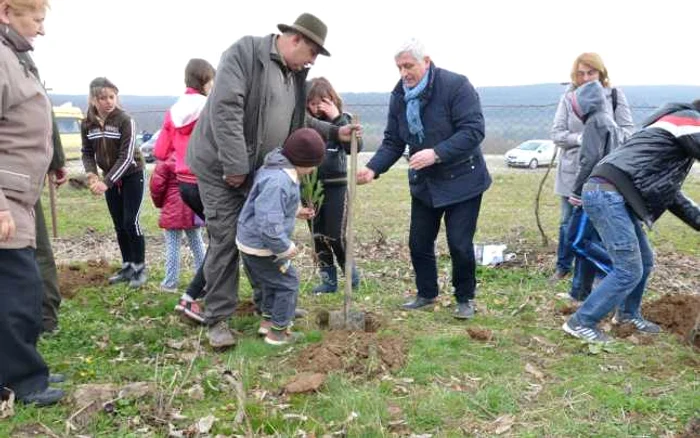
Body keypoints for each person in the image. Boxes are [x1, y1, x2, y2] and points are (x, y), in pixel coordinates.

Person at [185, 12, 360, 348]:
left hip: (256, 170)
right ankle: (218, 318)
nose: (311, 61)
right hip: (220, 167)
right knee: (226, 237)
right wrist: (235, 166)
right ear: (295, 40)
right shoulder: (245, 54)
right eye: (311, 53)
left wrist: (335, 131)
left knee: (261, 235)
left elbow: (298, 120)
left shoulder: (293, 75)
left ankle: (271, 304)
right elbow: (226, 109)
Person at [357, 38, 490, 319]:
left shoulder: (456, 85)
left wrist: (437, 153)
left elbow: (473, 131)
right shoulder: (399, 96)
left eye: (409, 65)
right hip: (425, 183)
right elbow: (393, 141)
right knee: (418, 243)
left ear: (426, 61)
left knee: (459, 244)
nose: (404, 73)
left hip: (463, 179)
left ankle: (464, 297)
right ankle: (426, 293)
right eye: (399, 67)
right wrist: (372, 169)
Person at [563, 100, 700, 343]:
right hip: (608, 193)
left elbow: (673, 197)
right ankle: (582, 321)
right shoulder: (686, 119)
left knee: (644, 262)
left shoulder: (666, 137)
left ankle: (627, 314)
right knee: (629, 268)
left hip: (613, 193)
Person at [0, 0, 64, 406]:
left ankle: (20, 370)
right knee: (17, 290)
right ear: (6, 10)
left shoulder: (13, 56)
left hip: (18, 195)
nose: (42, 30)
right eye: (37, 19)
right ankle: (23, 381)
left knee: (20, 286)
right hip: (5, 198)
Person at [550, 53, 634, 282]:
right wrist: (583, 139)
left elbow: (628, 131)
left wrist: (605, 138)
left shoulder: (615, 95)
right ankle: (563, 265)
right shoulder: (568, 98)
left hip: (605, 174)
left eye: (591, 72)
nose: (586, 78)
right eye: (581, 73)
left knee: (599, 225)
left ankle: (597, 272)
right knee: (567, 221)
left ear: (601, 73)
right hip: (572, 172)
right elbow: (557, 134)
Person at [237, 128, 324, 345]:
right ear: (303, 161)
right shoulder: (279, 180)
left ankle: (268, 321)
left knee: (271, 282)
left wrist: (296, 211)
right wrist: (285, 248)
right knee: (288, 283)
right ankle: (278, 333)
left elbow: (271, 206)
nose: (314, 169)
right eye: (314, 164)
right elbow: (268, 224)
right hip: (264, 246)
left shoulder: (278, 167)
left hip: (256, 243)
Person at [153, 58, 215, 323]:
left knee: (219, 240)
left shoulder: (173, 110)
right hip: (209, 181)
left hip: (185, 186)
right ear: (205, 81)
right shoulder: (209, 107)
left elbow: (160, 151)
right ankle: (195, 295)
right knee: (224, 241)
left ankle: (199, 291)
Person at [81, 77, 147, 288]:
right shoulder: (87, 124)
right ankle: (127, 265)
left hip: (131, 174)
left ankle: (140, 267)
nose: (109, 101)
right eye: (103, 98)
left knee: (131, 222)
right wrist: (92, 174)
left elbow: (127, 157)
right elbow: (87, 152)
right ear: (93, 100)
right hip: (109, 177)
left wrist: (106, 183)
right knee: (119, 224)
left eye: (112, 96)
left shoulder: (125, 120)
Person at [565, 80, 624, 301]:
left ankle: (618, 273)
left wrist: (577, 192)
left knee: (578, 242)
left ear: (584, 103)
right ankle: (579, 293)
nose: (574, 109)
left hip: (593, 192)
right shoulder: (606, 120)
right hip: (606, 191)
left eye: (575, 104)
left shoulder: (595, 123)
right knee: (589, 241)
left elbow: (589, 160)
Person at [305, 77, 362, 294]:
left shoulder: (343, 121)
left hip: (335, 186)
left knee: (336, 235)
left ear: (332, 100)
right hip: (310, 187)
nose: (316, 108)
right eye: (311, 103)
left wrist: (337, 118)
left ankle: (350, 275)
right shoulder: (305, 122)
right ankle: (328, 281)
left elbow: (355, 148)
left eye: (322, 102)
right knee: (317, 235)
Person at [149, 153, 205, 295]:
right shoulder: (194, 155)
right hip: (193, 205)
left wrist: (161, 204)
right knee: (198, 244)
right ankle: (204, 281)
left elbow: (156, 186)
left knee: (172, 246)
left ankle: (170, 283)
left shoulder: (166, 160)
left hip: (172, 207)